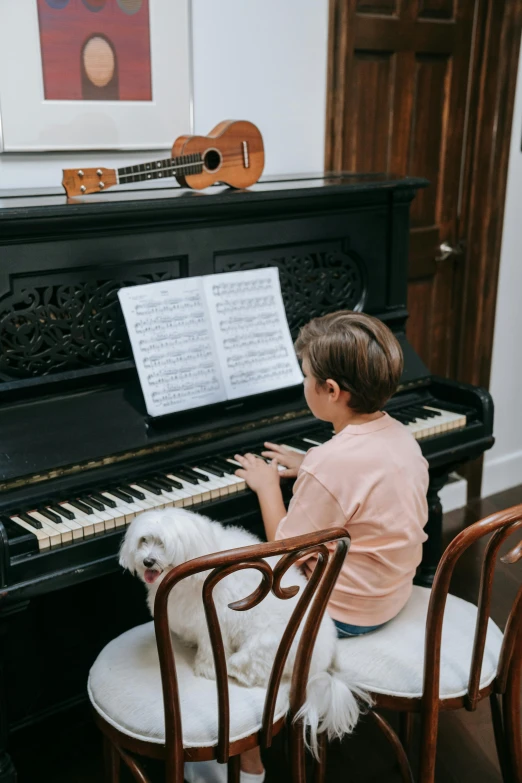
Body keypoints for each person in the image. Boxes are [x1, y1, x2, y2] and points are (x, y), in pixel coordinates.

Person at [185, 310, 429, 783]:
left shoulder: (330, 465)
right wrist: (311, 463)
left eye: (306, 378)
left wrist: (265, 486)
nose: (304, 385)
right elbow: (357, 480)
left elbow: (284, 553)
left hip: (345, 615)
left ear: (332, 392)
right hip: (391, 592)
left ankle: (247, 757)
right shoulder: (400, 437)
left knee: (234, 606)